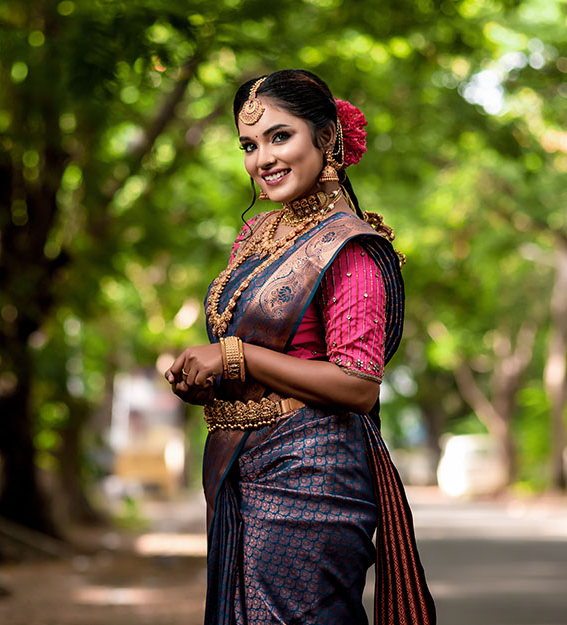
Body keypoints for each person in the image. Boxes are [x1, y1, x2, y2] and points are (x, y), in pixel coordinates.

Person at [166, 69, 435, 625]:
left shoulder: (349, 248)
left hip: (311, 476)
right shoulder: (259, 236)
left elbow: (358, 386)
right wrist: (210, 379)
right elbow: (258, 358)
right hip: (241, 464)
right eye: (249, 144)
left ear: (326, 138)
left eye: (279, 136)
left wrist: (233, 355)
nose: (262, 158)